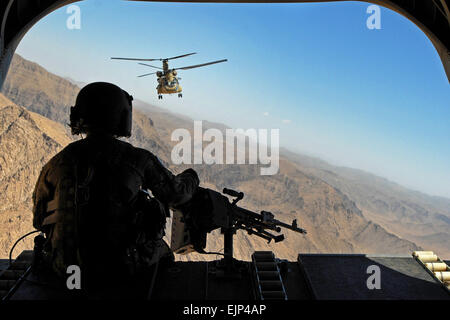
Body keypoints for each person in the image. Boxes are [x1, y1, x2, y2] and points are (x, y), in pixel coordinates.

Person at [32, 82, 199, 297]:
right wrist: (191, 176)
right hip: (120, 271)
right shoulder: (137, 159)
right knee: (164, 253)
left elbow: (38, 220)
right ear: (121, 116)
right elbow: (177, 194)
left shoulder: (55, 163)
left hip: (65, 271)